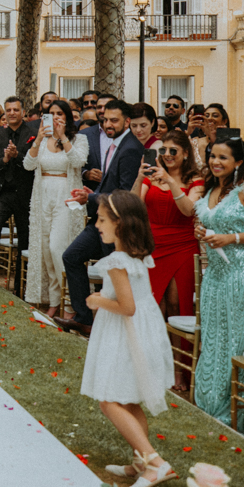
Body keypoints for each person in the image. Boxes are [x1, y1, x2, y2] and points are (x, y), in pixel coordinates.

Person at [81, 191, 176, 487]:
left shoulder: (116, 262)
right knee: (129, 398)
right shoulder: (137, 256)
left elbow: (127, 306)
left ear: (120, 224)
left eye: (102, 219)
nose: (96, 224)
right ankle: (139, 460)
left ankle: (154, 462)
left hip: (126, 332)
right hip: (142, 330)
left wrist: (97, 300)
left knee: (109, 399)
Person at [192, 136, 244, 437]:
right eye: (212, 156)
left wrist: (232, 238)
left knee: (236, 340)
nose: (215, 162)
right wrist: (205, 230)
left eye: (223, 158)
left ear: (238, 161)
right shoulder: (212, 189)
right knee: (213, 337)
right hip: (216, 272)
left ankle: (237, 414)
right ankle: (210, 404)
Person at [57, 99, 145, 337]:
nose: (108, 124)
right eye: (105, 119)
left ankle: (112, 326)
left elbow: (125, 195)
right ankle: (84, 318)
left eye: (114, 120)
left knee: (111, 274)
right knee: (72, 256)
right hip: (100, 219)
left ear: (127, 121)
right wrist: (92, 195)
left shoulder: (131, 149)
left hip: (117, 226)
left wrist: (93, 198)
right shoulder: (116, 144)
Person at [132, 129, 204, 391]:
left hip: (182, 246)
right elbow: (133, 206)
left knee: (176, 304)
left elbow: (189, 210)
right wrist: (140, 178)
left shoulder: (195, 179)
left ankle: (178, 368)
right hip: (152, 245)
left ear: (186, 154)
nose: (167, 155)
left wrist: (171, 181)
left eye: (174, 151)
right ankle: (152, 366)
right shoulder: (152, 176)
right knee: (153, 306)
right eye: (163, 150)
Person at [23, 100, 88, 315]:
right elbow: (28, 165)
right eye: (51, 113)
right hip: (43, 197)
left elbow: (78, 161)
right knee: (45, 250)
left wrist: (62, 138)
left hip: (66, 198)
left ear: (68, 116)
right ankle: (53, 301)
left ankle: (69, 303)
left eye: (60, 113)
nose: (56, 117)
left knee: (57, 248)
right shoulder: (41, 140)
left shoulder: (79, 139)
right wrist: (40, 138)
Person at [0, 96, 38, 290]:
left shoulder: (33, 133)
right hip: (2, 193)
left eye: (16, 109)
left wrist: (18, 156)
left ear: (23, 112)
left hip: (25, 192)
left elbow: (35, 164)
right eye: (9, 110)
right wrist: (5, 159)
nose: (12, 113)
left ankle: (22, 281)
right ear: (4, 112)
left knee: (25, 234)